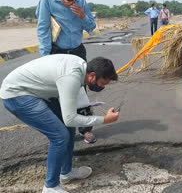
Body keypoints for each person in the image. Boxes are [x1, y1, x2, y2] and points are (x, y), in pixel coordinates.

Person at [0, 55, 120, 193]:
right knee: (59, 136)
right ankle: (50, 187)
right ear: (92, 75)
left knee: (68, 130)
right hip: (17, 94)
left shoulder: (81, 69)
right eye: (102, 83)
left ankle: (66, 173)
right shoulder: (71, 78)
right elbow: (70, 118)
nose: (102, 87)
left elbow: (70, 115)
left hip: (38, 90)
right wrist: (104, 119)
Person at [36, 0, 97, 144]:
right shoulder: (47, 1)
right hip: (58, 52)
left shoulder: (81, 1)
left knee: (80, 91)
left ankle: (86, 129)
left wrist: (83, 16)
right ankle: (62, 131)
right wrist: (46, 56)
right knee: (58, 92)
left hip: (77, 51)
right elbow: (43, 29)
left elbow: (91, 27)